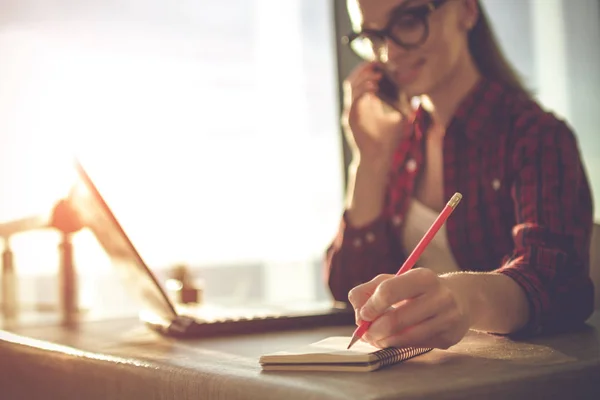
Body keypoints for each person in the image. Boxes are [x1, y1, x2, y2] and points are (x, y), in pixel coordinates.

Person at [324, 0, 594, 350]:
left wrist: (465, 299)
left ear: (466, 10)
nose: (388, 54)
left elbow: (558, 282)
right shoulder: (396, 140)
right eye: (373, 36)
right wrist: (369, 162)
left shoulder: (534, 136)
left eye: (408, 20)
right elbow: (350, 290)